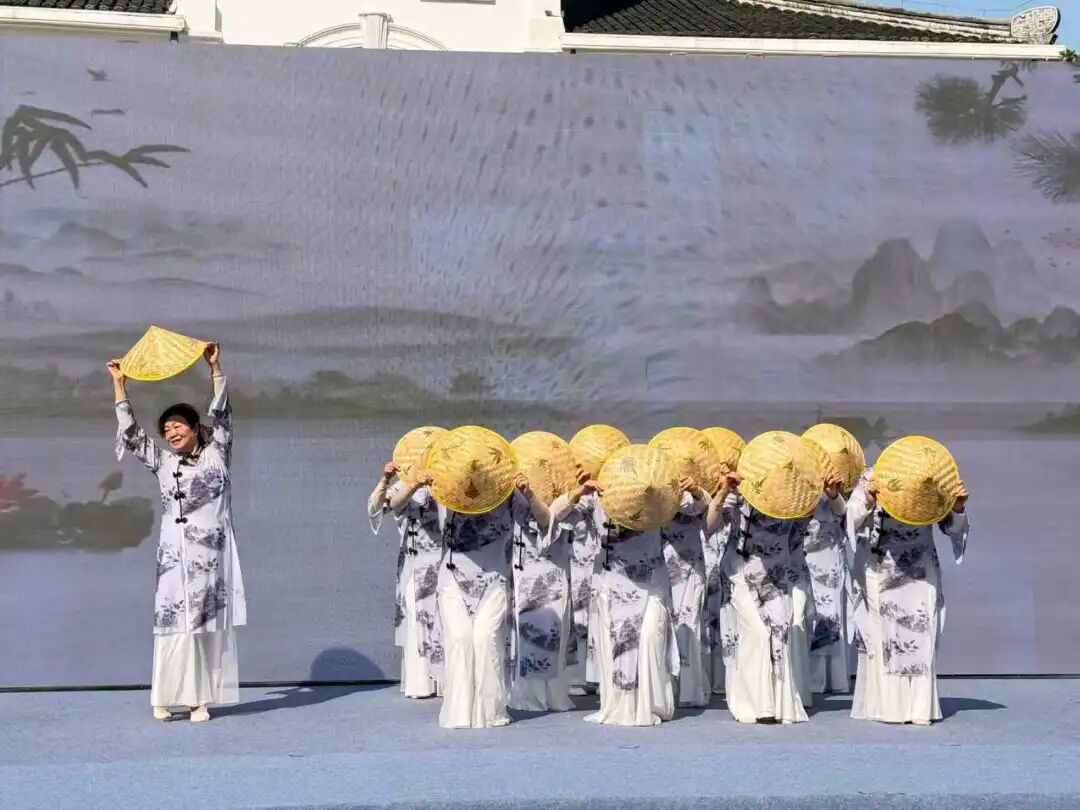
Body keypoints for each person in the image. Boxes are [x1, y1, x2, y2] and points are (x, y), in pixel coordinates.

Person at [108, 343, 245, 722]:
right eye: (166, 429)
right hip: (174, 555)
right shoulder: (164, 461)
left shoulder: (217, 452)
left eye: (177, 426)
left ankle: (198, 700)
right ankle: (164, 696)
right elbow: (131, 434)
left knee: (200, 625)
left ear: (194, 427)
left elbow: (223, 413)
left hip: (209, 556)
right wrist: (120, 384)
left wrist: (215, 367)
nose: (171, 433)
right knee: (171, 623)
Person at [550, 474, 678, 727]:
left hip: (651, 581)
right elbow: (555, 516)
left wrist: (696, 491)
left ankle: (651, 704)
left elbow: (698, 511)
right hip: (611, 583)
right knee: (617, 644)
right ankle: (621, 704)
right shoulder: (596, 498)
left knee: (649, 639)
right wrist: (577, 493)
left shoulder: (658, 494)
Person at [846, 470, 969, 725]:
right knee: (886, 635)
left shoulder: (931, 477)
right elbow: (849, 519)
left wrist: (957, 508)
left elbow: (951, 526)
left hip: (921, 567)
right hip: (882, 568)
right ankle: (889, 706)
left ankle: (920, 708)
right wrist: (868, 500)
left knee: (922, 632)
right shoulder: (872, 476)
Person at [705, 470, 815, 724]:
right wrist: (723, 492)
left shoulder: (795, 497)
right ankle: (755, 704)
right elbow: (709, 526)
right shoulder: (741, 491)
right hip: (740, 571)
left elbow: (797, 539)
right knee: (756, 631)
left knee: (779, 634)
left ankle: (778, 704)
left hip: (776, 571)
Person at [368, 463, 445, 698]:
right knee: (417, 618)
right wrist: (388, 479)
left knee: (444, 620)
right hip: (415, 562)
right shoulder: (403, 484)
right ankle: (421, 682)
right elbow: (382, 506)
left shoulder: (448, 482)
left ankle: (445, 681)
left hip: (446, 561)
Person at [508, 472, 574, 712]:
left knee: (551, 633)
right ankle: (527, 695)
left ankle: (552, 695)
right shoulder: (512, 496)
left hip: (552, 571)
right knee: (524, 633)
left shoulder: (567, 497)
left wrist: (531, 495)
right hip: (522, 571)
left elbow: (547, 520)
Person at [659, 479, 711, 708]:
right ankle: (666, 687)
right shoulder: (654, 491)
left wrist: (694, 489)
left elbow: (701, 506)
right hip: (659, 565)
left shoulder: (694, 493)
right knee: (663, 627)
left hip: (689, 567)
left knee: (688, 626)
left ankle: (689, 690)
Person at [802, 474, 854, 695]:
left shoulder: (839, 476)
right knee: (807, 614)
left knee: (831, 614)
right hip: (803, 553)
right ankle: (811, 679)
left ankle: (834, 678)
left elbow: (845, 513)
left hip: (829, 555)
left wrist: (833, 494)